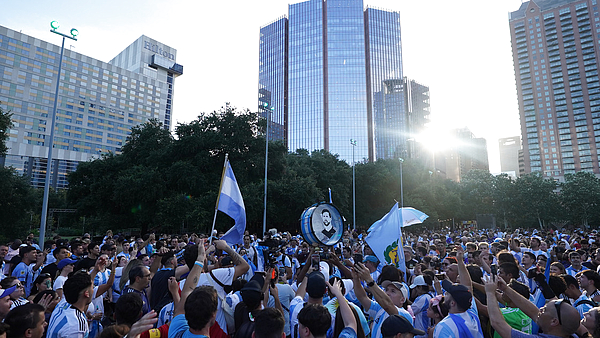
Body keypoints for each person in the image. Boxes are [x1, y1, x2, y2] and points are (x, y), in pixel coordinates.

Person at [483, 274, 581, 338]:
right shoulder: (569, 333)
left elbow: (498, 324)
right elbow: (533, 312)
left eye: (544, 310)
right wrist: (506, 289)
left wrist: (490, 293)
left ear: (554, 321)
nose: (540, 309)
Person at [433, 246, 483, 338]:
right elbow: (468, 285)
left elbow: (467, 286)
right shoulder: (472, 315)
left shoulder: (445, 326)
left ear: (453, 303)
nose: (445, 294)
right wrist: (460, 261)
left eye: (448, 293)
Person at [353, 262, 413, 338]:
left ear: (402, 300)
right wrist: (356, 279)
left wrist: (369, 280)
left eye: (393, 291)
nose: (387, 293)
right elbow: (362, 297)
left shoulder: (404, 315)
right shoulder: (379, 308)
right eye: (386, 290)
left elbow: (388, 305)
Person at [46, 271, 94, 337]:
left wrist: (96, 270)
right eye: (92, 288)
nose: (93, 290)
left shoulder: (62, 305)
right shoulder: (76, 325)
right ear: (86, 293)